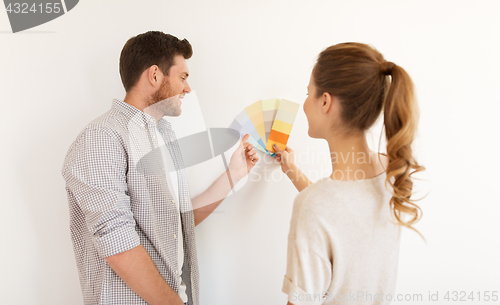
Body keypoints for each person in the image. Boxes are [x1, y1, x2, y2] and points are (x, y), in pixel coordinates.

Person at [61, 31, 259, 305]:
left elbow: (178, 223)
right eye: (183, 77)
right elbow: (115, 239)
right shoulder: (102, 137)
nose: (188, 88)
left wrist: (234, 174)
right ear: (155, 75)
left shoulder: (164, 136)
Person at [273, 42, 425, 305]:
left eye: (308, 94)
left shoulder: (314, 206)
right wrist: (293, 171)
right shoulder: (390, 171)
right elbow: (345, 212)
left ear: (325, 101)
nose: (304, 105)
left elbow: (330, 209)